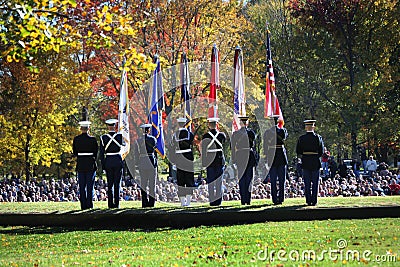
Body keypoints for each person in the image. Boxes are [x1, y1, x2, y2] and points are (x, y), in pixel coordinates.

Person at [296, 119, 324, 206]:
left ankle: (308, 200)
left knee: (307, 183)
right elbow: (321, 151)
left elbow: (298, 151)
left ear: (306, 127)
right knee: (315, 183)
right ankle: (314, 201)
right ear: (313, 127)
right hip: (315, 161)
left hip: (305, 161)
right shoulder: (318, 137)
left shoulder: (301, 138)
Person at [72, 118, 98, 210]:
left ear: (81, 129)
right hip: (90, 164)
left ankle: (83, 205)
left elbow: (74, 152)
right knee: (90, 186)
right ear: (88, 129)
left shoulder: (76, 139)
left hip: (81, 164)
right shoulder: (93, 139)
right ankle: (89, 204)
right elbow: (96, 152)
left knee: (82, 186)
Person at [231, 115, 257, 205]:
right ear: (247, 123)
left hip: (240, 157)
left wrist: (234, 159)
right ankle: (248, 200)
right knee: (249, 179)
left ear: (240, 123)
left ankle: (243, 199)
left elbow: (233, 147)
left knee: (242, 179)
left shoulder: (236, 134)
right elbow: (253, 143)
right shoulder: (251, 133)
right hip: (249, 156)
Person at [201, 117, 226, 206]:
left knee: (211, 182)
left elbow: (204, 151)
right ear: (217, 125)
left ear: (209, 125)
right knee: (219, 182)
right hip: (219, 160)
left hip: (210, 161)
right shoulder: (222, 135)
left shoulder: (205, 136)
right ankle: (218, 201)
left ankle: (212, 200)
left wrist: (203, 163)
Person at [100, 119, 125, 208]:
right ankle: (117, 203)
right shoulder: (119, 136)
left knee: (110, 184)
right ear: (115, 126)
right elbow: (124, 146)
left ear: (108, 126)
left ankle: (110, 204)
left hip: (109, 161)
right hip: (117, 160)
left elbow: (102, 153)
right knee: (117, 184)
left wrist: (103, 166)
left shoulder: (103, 138)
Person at [263, 115, 288, 205]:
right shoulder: (282, 130)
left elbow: (265, 146)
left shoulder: (268, 132)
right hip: (279, 155)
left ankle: (275, 199)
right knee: (279, 180)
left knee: (275, 180)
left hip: (272, 155)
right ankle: (280, 198)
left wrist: (266, 158)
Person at [171, 117, 195, 207]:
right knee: (189, 179)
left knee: (180, 180)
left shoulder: (175, 135)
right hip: (188, 158)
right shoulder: (190, 134)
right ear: (185, 124)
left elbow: (172, 149)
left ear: (178, 124)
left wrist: (173, 162)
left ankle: (182, 202)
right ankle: (188, 202)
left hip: (178, 158)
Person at [134, 123, 157, 208]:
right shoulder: (153, 139)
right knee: (152, 184)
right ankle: (151, 203)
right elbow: (155, 148)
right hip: (151, 162)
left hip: (142, 162)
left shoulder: (138, 141)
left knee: (143, 184)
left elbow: (136, 154)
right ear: (149, 130)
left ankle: (144, 203)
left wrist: (136, 164)